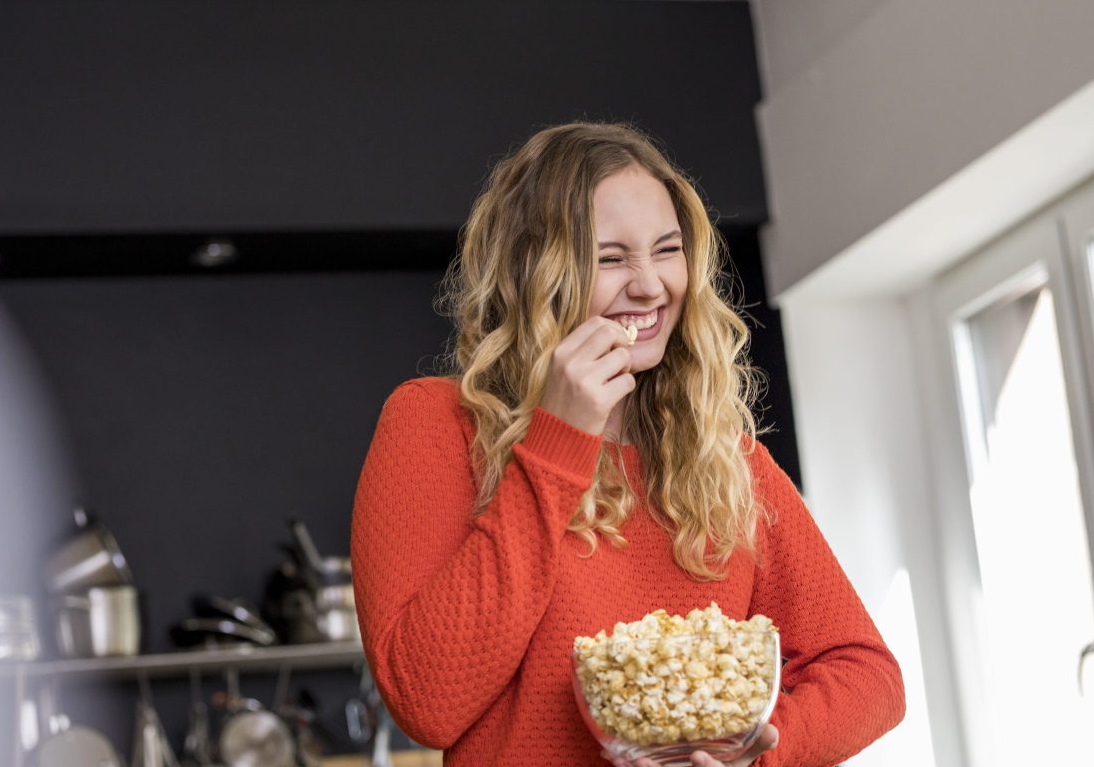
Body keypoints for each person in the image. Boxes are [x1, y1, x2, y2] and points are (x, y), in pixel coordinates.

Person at [351, 122, 905, 766]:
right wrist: (557, 442)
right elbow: (427, 703)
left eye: (667, 250)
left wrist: (749, 753)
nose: (649, 285)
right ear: (533, 273)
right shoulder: (437, 422)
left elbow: (867, 673)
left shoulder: (722, 458)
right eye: (610, 258)